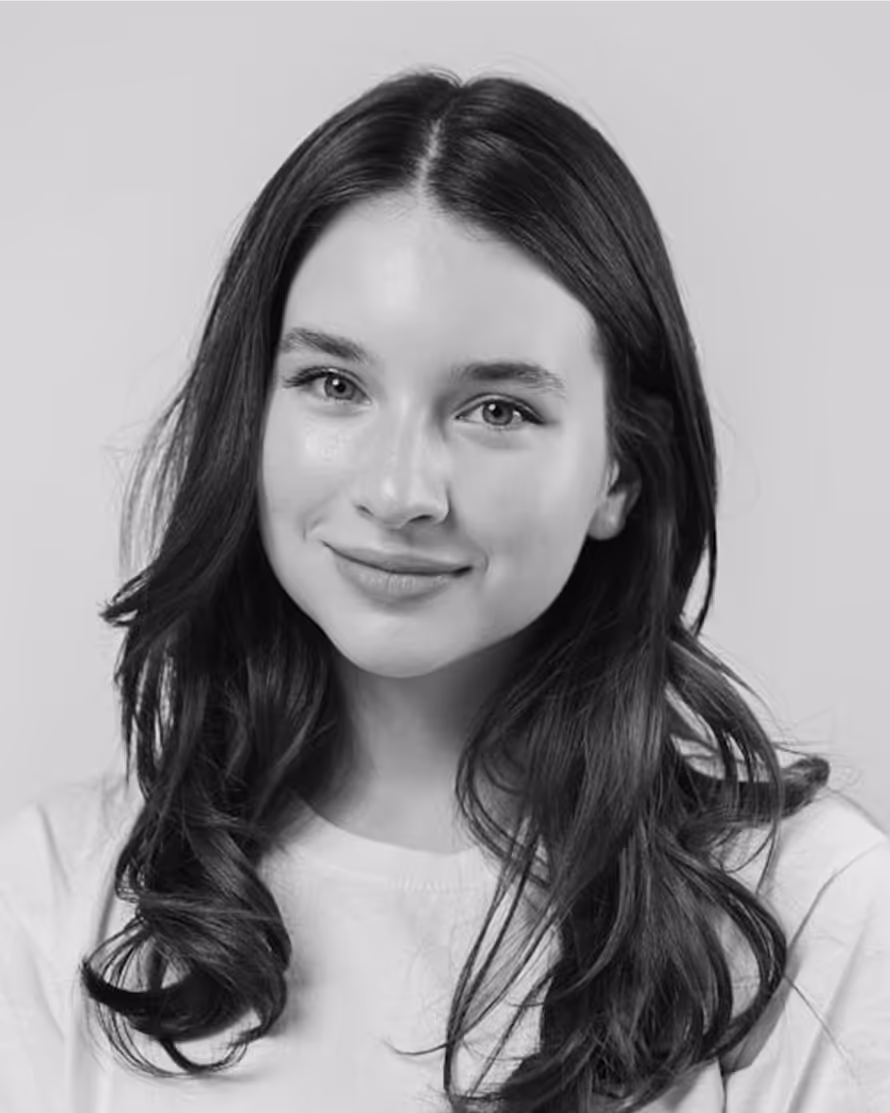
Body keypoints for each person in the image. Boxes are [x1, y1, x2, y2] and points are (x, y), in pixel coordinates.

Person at [0, 65, 888, 1113]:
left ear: (618, 470)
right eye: (333, 385)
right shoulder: (58, 895)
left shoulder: (807, 908)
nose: (398, 491)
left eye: (498, 409)